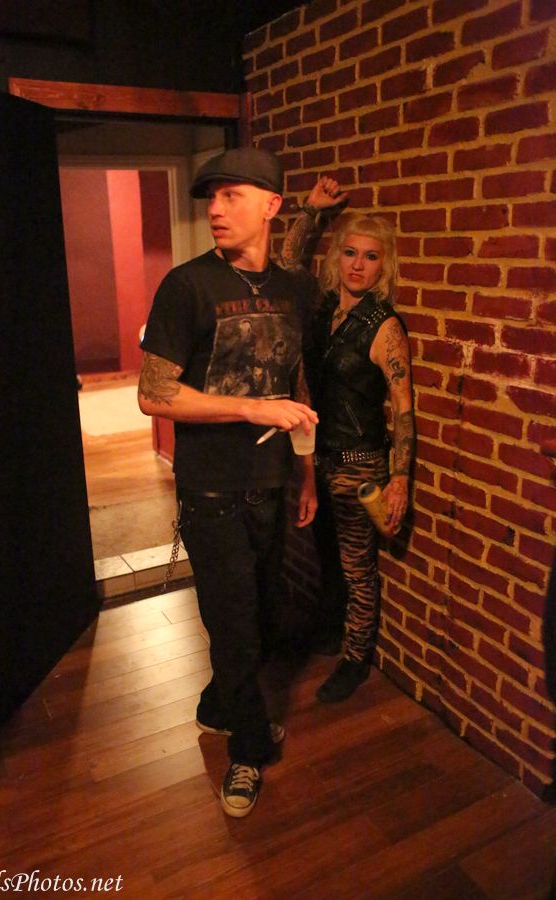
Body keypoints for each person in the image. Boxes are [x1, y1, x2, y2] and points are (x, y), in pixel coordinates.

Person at [138, 147, 319, 818]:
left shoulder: (297, 290)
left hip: (270, 482)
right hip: (210, 490)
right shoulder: (186, 286)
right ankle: (247, 751)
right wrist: (251, 408)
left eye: (231, 195)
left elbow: (298, 385)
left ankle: (219, 705)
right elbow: (153, 394)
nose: (214, 209)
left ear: (271, 205)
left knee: (263, 617)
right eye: (210, 197)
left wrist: (305, 470)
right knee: (235, 626)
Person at [282, 177, 415, 703]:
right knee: (325, 554)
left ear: (385, 267)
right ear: (337, 256)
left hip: (360, 465)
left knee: (358, 567)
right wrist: (311, 212)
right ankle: (329, 629)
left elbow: (403, 411)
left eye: (371, 257)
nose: (358, 265)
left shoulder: (384, 327)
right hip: (317, 458)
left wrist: (400, 478)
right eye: (351, 253)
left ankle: (356, 658)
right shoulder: (321, 310)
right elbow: (288, 263)